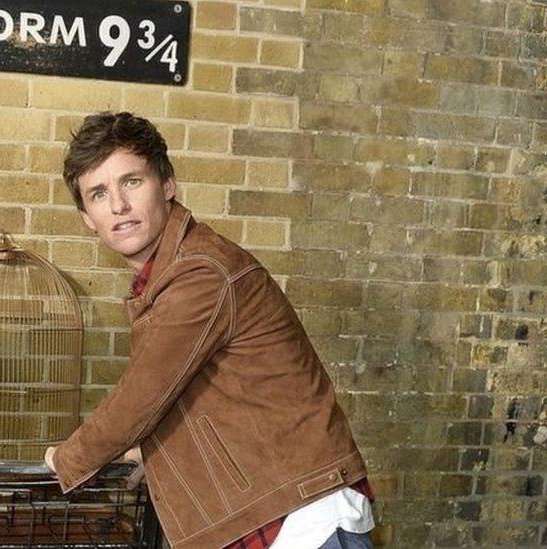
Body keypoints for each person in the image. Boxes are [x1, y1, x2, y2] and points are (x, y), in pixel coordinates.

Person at [44, 112, 375, 549]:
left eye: (131, 182)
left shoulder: (202, 272)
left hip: (300, 521)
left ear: (168, 185)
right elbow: (211, 391)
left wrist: (67, 459)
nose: (118, 206)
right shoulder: (166, 279)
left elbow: (142, 395)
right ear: (87, 217)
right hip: (275, 514)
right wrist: (165, 456)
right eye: (99, 193)